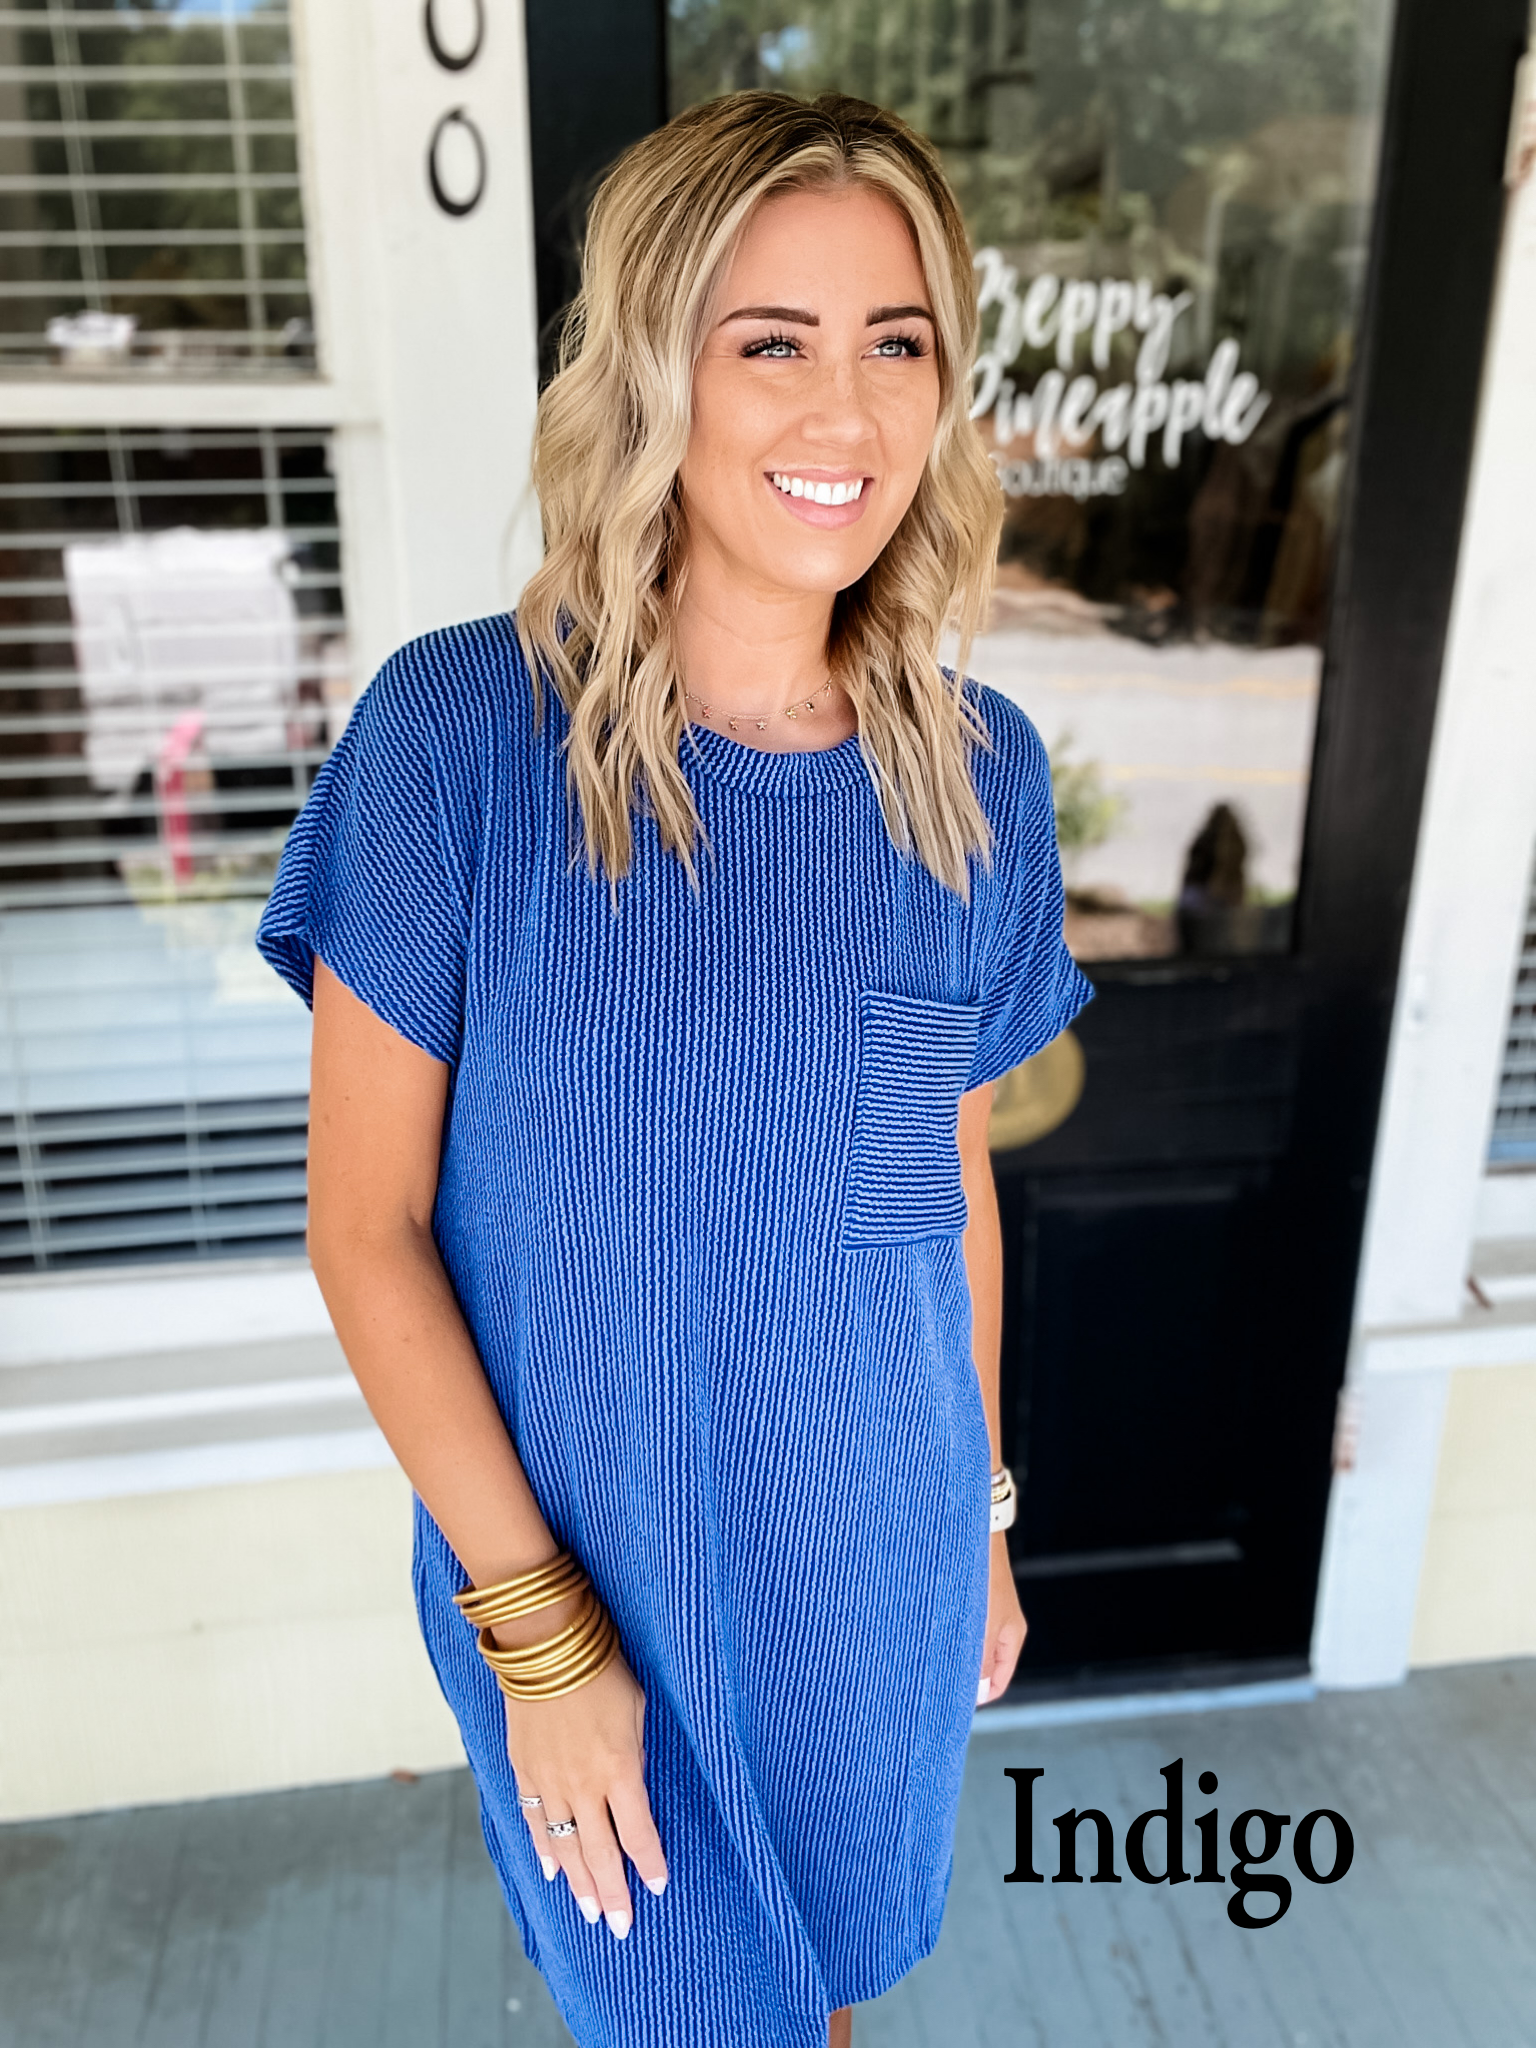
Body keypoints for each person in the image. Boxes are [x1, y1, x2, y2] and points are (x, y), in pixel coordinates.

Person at [257, 89, 1091, 2048]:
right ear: (655, 369)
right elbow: (368, 1231)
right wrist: (541, 1641)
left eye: (899, 343)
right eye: (771, 342)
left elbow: (941, 1190)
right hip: (583, 1579)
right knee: (682, 2009)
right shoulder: (460, 742)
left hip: (871, 1564)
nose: (848, 410)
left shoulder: (978, 776)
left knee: (820, 2001)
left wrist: (980, 1521)